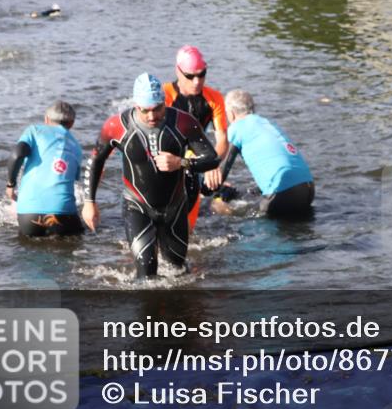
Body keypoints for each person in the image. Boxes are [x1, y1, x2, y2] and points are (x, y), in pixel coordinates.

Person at [82, 73, 219, 278]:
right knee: (146, 273)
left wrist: (181, 163)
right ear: (136, 105)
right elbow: (95, 161)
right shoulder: (116, 126)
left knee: (178, 271)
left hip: (174, 207)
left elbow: (212, 158)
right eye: (145, 110)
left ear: (164, 102)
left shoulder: (183, 122)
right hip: (137, 206)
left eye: (157, 108)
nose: (152, 116)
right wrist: (89, 202)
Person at [215, 90, 314, 218]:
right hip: (308, 189)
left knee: (238, 217)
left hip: (284, 193)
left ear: (231, 114)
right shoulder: (267, 122)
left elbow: (222, 170)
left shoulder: (236, 128)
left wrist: (213, 191)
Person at [163, 45, 229, 230]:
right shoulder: (165, 95)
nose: (196, 81)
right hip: (165, 156)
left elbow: (222, 139)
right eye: (190, 76)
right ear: (178, 71)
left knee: (187, 230)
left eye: (202, 74)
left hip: (192, 159)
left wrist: (212, 164)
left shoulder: (214, 98)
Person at [6, 101, 84, 237]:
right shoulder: (77, 147)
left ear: (46, 119)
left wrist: (10, 184)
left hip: (29, 216)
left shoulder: (34, 131)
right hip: (65, 217)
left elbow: (17, 154)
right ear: (71, 123)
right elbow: (73, 180)